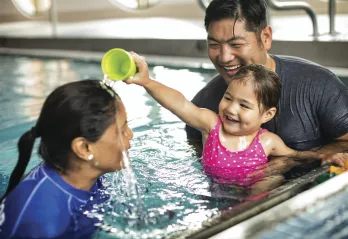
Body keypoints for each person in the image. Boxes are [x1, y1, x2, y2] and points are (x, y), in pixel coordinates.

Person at [125, 53, 348, 186]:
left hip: (251, 199)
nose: (231, 109)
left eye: (244, 105)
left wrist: (325, 157)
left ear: (267, 115)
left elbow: (296, 156)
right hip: (214, 193)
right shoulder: (211, 125)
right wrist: (147, 82)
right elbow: (180, 103)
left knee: (270, 180)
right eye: (228, 98)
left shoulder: (267, 142)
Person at [185, 0, 348, 162]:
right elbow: (203, 166)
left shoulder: (319, 86)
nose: (224, 57)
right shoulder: (202, 105)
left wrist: (281, 165)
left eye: (236, 44)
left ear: (265, 37)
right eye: (214, 45)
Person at [0, 79, 134, 239]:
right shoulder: (42, 224)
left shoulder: (86, 173)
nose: (130, 135)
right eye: (121, 130)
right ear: (84, 148)